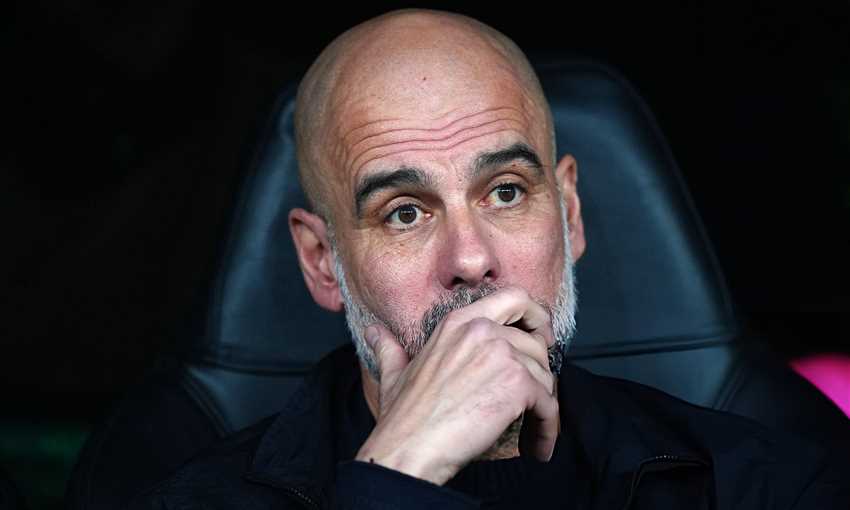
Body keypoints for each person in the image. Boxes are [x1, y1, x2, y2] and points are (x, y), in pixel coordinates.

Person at [127, 8, 849, 509]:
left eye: (506, 192)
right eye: (405, 212)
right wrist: (394, 479)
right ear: (322, 262)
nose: (471, 260)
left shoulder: (767, 486)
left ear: (568, 215)